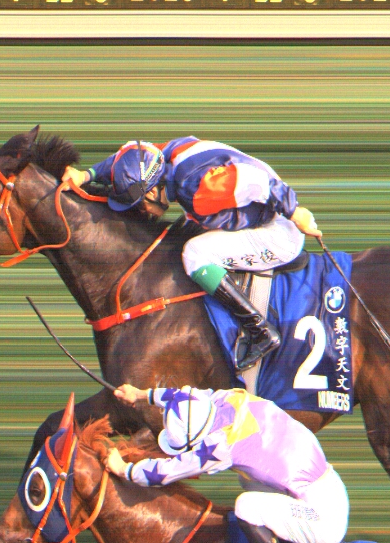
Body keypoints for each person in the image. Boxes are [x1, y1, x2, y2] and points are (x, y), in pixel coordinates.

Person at [65, 139, 323, 370]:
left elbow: (256, 181)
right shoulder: (165, 155)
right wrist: (86, 175)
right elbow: (129, 158)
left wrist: (294, 212)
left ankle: (260, 330)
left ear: (152, 192)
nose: (142, 211)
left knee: (194, 253)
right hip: (262, 212)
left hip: (279, 232)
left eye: (139, 204)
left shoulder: (198, 190)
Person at [106, 382, 346, 543]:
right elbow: (181, 395)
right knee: (249, 481)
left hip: (322, 518)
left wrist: (124, 469)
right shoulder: (226, 399)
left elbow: (166, 472)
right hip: (329, 487)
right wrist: (141, 394)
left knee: (246, 506)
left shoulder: (220, 447)